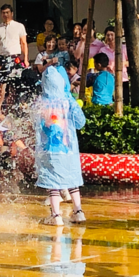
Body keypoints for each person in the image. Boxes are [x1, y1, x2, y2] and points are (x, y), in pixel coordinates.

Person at [33, 66, 87, 226]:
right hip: (69, 149)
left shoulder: (40, 102)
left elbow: (35, 123)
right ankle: (78, 212)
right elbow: (80, 122)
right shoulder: (68, 100)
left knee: (52, 183)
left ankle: (56, 215)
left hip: (48, 150)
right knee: (72, 180)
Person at [99, 26, 129, 103]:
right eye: (108, 35)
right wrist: (107, 67)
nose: (110, 37)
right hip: (108, 79)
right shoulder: (102, 50)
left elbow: (129, 62)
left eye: (112, 35)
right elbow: (100, 64)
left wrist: (121, 64)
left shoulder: (124, 48)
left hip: (123, 78)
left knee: (124, 100)